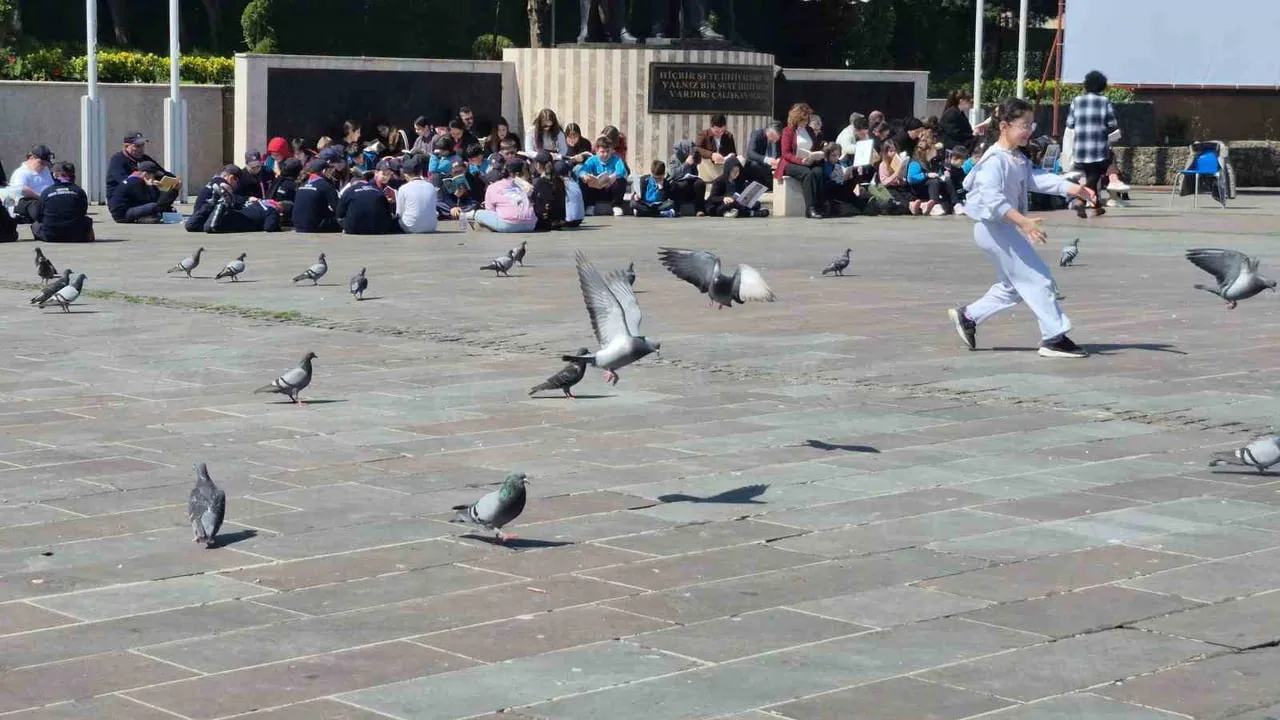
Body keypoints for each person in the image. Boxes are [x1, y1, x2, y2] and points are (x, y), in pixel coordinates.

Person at [949, 97, 1098, 360]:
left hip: (999, 229)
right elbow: (994, 202)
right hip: (993, 229)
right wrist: (1024, 222)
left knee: (1014, 285)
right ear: (1004, 126)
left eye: (1031, 124)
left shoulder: (1015, 157)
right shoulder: (994, 161)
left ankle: (969, 316)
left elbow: (1034, 178)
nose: (1029, 130)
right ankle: (1054, 337)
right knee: (1038, 279)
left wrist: (1071, 188)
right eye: (1024, 125)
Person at [1067, 69, 1119, 219]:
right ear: (1102, 86)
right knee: (1094, 176)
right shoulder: (1104, 101)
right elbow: (1112, 123)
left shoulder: (1076, 101)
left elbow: (1070, 123)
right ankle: (1080, 200)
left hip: (1081, 148)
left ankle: (1096, 207)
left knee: (1092, 176)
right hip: (1098, 148)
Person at [776, 102, 827, 219]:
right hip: (790, 163)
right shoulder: (787, 131)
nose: (806, 122)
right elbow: (786, 154)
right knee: (807, 174)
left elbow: (814, 147)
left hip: (808, 160)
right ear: (796, 118)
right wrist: (801, 161)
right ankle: (810, 208)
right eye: (803, 119)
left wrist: (818, 153)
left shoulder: (809, 130)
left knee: (818, 171)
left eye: (807, 119)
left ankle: (820, 205)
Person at [106, 132, 179, 203]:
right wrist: (146, 181)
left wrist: (174, 180)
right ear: (126, 146)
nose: (141, 149)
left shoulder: (145, 158)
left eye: (142, 145)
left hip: (140, 194)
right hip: (122, 200)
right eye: (137, 146)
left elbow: (161, 172)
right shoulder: (117, 160)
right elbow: (124, 181)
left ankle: (162, 209)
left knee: (172, 190)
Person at [32, 161, 93, 242]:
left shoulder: (46, 192)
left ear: (54, 175)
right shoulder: (79, 191)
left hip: (51, 236)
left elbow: (38, 216)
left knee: (35, 225)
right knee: (87, 221)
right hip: (77, 236)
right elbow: (83, 212)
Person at [472, 157, 538, 232]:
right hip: (531, 225)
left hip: (508, 224)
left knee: (478, 213)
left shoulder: (493, 186)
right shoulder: (526, 185)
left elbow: (491, 211)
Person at [338, 159, 398, 235]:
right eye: (383, 174)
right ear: (376, 173)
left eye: (389, 174)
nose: (386, 177)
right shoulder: (366, 185)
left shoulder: (391, 190)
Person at [108, 160, 177, 224]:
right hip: (122, 215)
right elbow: (154, 201)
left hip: (125, 210)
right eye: (154, 176)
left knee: (163, 208)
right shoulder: (136, 182)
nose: (155, 178)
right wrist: (153, 187)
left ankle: (144, 217)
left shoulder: (133, 179)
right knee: (154, 206)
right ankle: (142, 218)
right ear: (146, 174)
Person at [574, 136, 629, 216]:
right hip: (595, 191)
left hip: (610, 191)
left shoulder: (616, 159)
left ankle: (616, 205)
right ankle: (590, 205)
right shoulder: (593, 160)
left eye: (608, 151)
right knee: (583, 181)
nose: (605, 154)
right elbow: (582, 171)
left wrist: (613, 177)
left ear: (611, 151)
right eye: (602, 152)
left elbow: (622, 170)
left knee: (621, 181)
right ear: (596, 151)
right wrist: (585, 176)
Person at [8, 144, 56, 223]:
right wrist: (43, 197)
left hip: (46, 202)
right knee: (33, 205)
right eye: (41, 163)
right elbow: (23, 190)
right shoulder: (21, 173)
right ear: (32, 158)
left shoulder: (45, 170)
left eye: (45, 164)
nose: (44, 166)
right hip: (26, 204)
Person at [292, 158, 342, 233]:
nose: (331, 173)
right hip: (315, 226)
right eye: (329, 170)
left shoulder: (302, 183)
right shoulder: (326, 185)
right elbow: (338, 208)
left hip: (297, 225)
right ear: (324, 171)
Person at [185, 165, 240, 232]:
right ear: (231, 178)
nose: (237, 185)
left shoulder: (214, 181)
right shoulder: (222, 183)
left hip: (197, 217)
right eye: (237, 181)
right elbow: (223, 186)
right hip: (204, 219)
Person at [393, 154, 437, 233]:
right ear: (421, 172)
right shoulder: (431, 186)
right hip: (432, 226)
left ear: (405, 175)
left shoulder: (403, 188)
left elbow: (399, 212)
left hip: (410, 227)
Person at [667, 140, 707, 212]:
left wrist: (693, 164)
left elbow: (695, 173)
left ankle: (699, 209)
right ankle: (677, 209)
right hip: (677, 182)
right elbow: (673, 174)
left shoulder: (691, 156)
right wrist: (686, 164)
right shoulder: (674, 158)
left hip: (689, 181)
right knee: (682, 185)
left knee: (700, 183)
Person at [530, 151, 567, 230]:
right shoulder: (559, 180)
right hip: (559, 219)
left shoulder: (539, 182)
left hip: (547, 222)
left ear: (538, 165)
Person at [695, 114, 737, 182]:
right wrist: (711, 155)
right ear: (711, 127)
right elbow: (696, 148)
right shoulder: (704, 134)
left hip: (723, 167)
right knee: (703, 160)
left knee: (741, 159)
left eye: (722, 131)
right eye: (717, 131)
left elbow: (734, 153)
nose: (720, 134)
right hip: (709, 168)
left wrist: (730, 156)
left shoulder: (728, 136)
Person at [744, 121, 782, 188]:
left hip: (773, 167)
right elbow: (750, 153)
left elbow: (781, 154)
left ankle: (774, 186)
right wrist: (766, 160)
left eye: (777, 138)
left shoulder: (777, 141)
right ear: (769, 131)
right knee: (755, 164)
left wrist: (779, 159)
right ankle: (773, 186)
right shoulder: (758, 134)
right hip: (759, 166)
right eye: (774, 137)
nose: (775, 141)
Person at [557, 159, 585, 227]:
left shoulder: (560, 183)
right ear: (569, 172)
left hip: (567, 220)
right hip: (579, 219)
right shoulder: (574, 182)